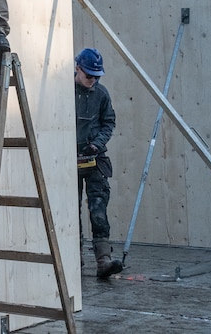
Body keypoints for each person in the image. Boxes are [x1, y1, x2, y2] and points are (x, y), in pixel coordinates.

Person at [74, 48, 124, 279]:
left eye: (96, 76)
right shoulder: (65, 93)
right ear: (78, 69)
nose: (92, 80)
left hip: (94, 160)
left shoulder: (101, 94)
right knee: (69, 211)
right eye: (89, 76)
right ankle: (73, 259)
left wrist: (97, 143)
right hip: (69, 161)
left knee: (98, 210)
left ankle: (103, 260)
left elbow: (109, 123)